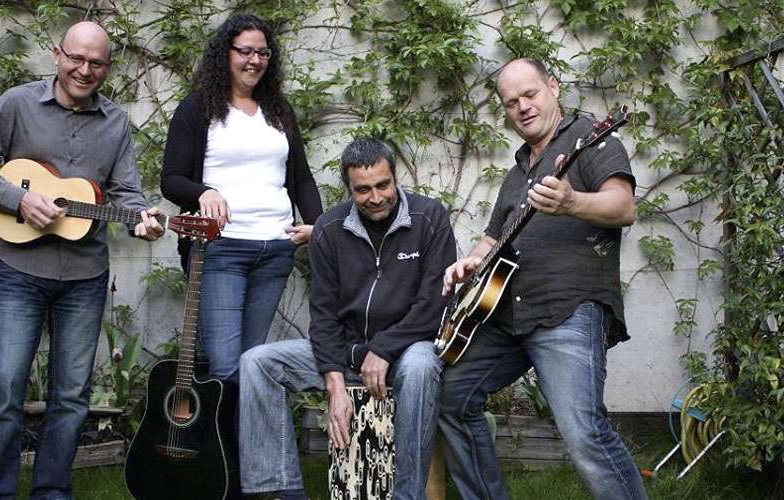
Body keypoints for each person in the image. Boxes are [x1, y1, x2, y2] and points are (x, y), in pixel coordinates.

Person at [0, 21, 164, 500]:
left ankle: (51, 491)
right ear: (56, 55)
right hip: (20, 271)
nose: (84, 70)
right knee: (6, 388)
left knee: (70, 396)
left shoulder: (116, 122)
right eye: (76, 58)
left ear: (108, 67)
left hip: (85, 276)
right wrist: (19, 200)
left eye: (96, 63)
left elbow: (128, 193)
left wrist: (143, 221)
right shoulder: (17, 104)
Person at [437, 58, 647, 500]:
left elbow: (623, 207)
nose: (523, 107)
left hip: (567, 309)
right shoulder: (517, 172)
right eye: (511, 102)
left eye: (530, 94)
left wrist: (572, 202)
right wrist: (470, 262)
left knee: (584, 434)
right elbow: (492, 237)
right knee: (451, 398)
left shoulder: (591, 140)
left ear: (553, 86)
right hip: (505, 316)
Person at [237, 138, 456, 500]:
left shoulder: (430, 217)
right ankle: (285, 492)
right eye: (363, 190)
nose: (376, 197)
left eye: (383, 185)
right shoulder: (328, 228)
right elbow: (323, 316)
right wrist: (334, 384)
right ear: (349, 188)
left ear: (395, 177)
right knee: (257, 363)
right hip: (347, 352)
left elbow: (435, 305)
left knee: (420, 366)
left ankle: (407, 495)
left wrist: (384, 349)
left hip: (406, 351)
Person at [160, 13, 322, 381]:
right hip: (220, 250)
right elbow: (171, 180)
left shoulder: (279, 110)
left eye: (263, 53)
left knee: (253, 364)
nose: (255, 61)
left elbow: (301, 179)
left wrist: (317, 226)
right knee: (225, 366)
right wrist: (205, 191)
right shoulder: (197, 109)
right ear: (225, 53)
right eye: (245, 51)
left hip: (276, 250)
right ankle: (226, 423)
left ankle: (245, 423)